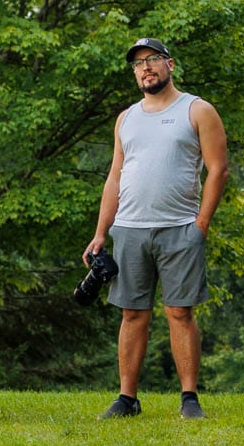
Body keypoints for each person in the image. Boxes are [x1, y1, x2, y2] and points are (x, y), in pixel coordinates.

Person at [84, 37, 227, 421]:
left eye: (152, 60)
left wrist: (201, 224)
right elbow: (115, 176)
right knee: (132, 314)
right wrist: (101, 232)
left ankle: (189, 399)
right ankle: (127, 399)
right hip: (129, 229)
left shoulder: (197, 110)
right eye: (138, 63)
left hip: (180, 227)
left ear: (170, 64)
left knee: (180, 312)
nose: (145, 68)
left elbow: (218, 169)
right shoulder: (126, 118)